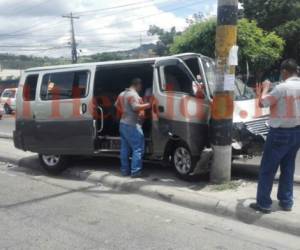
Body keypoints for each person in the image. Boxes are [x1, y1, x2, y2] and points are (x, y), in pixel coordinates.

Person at [250, 59, 300, 213]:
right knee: (288, 167)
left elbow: (262, 103)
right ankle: (286, 201)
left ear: (285, 71)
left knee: (268, 169)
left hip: (279, 133)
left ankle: (264, 203)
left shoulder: (281, 88)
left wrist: (265, 88)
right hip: (296, 132)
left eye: (281, 72)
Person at [115, 78, 151, 178]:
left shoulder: (122, 94)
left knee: (124, 149)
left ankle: (124, 171)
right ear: (137, 85)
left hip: (122, 124)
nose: (141, 88)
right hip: (132, 125)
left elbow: (116, 105)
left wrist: (125, 111)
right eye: (140, 86)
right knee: (138, 148)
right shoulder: (133, 94)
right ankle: (136, 172)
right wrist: (148, 105)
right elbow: (135, 107)